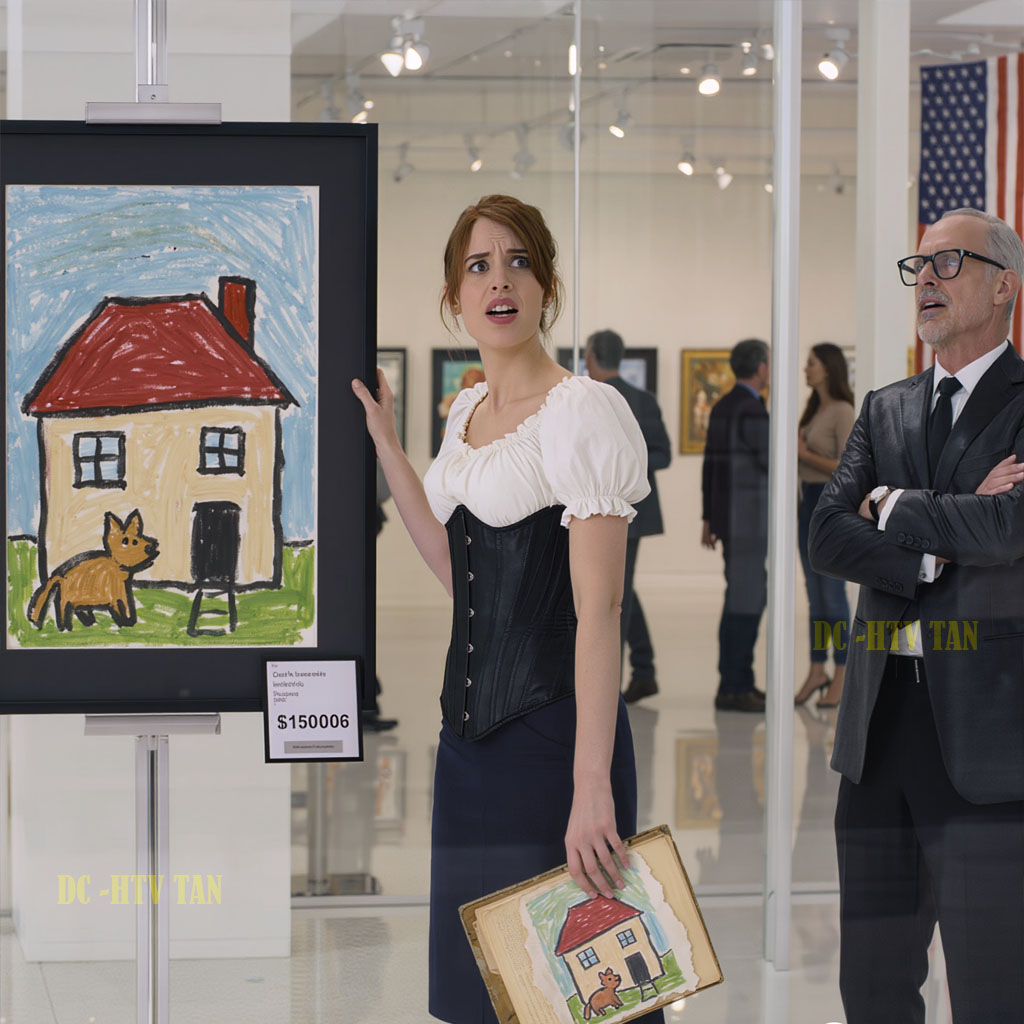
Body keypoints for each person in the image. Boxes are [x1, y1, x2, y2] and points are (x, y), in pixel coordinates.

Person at [352, 195, 663, 1024]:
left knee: (576, 992)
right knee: (481, 988)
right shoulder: (466, 414)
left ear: (547, 286)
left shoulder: (582, 412)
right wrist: (387, 444)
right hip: (467, 750)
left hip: (555, 742)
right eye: (479, 266)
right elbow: (454, 570)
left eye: (519, 261)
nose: (500, 281)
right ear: (455, 295)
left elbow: (600, 611)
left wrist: (591, 785)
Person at [809, 207, 1024, 1023]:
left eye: (948, 263)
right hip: (876, 729)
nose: (925, 279)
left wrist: (893, 502)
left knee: (992, 985)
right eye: (919, 266)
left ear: (1003, 287)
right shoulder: (885, 407)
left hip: (987, 739)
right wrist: (935, 550)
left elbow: (1009, 529)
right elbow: (827, 533)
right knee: (872, 983)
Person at [584, 329, 672, 704]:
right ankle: (644, 669)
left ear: (590, 358)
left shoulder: (592, 399)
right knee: (620, 590)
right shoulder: (638, 399)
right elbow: (663, 455)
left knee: (612, 597)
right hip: (609, 510)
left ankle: (613, 687)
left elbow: (661, 455)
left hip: (618, 511)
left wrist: (619, 463)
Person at [700, 338, 770, 712]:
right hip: (750, 522)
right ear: (760, 368)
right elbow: (770, 461)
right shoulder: (752, 409)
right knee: (747, 601)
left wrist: (708, 518)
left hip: (731, 521)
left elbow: (711, 466)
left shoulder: (724, 405)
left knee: (740, 599)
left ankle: (735, 681)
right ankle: (735, 686)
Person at [793, 343, 855, 709]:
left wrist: (803, 455)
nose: (806, 369)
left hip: (830, 505)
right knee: (815, 596)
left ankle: (843, 671)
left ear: (828, 368)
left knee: (832, 595)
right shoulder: (813, 410)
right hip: (807, 506)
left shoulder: (843, 411)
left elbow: (848, 467)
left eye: (811, 363)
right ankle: (817, 668)